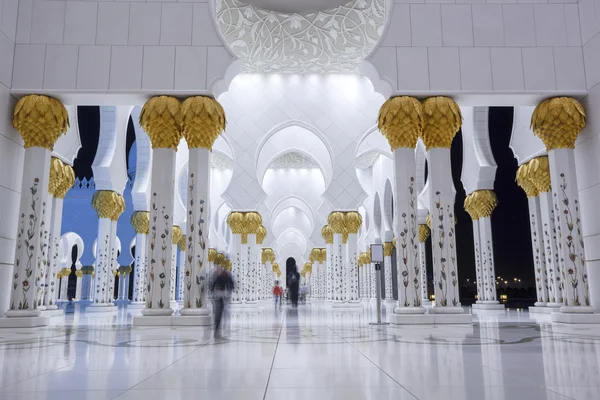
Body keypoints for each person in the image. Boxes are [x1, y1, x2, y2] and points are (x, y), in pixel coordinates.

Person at [211, 265, 234, 339]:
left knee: (224, 311)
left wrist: (229, 290)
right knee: (219, 312)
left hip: (223, 295)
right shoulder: (217, 275)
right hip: (219, 296)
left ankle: (222, 326)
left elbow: (231, 283)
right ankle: (217, 327)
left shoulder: (225, 275)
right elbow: (213, 284)